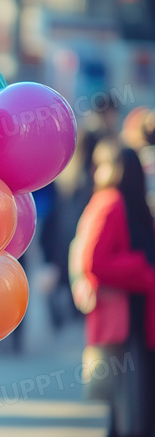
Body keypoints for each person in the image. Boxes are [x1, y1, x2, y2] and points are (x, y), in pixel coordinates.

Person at [71, 144, 155, 437]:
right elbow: (94, 262)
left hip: (133, 314)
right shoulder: (111, 201)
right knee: (130, 403)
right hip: (126, 317)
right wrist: (143, 270)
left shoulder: (118, 200)